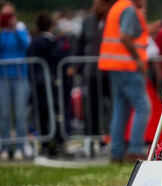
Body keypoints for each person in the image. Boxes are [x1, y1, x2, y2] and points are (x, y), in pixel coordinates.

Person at [98, 0, 151, 162]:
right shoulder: (128, 9)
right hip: (127, 65)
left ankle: (117, 153)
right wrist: (138, 59)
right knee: (143, 107)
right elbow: (125, 36)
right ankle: (134, 150)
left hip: (116, 65)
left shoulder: (118, 6)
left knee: (120, 109)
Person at [73, 0, 114, 141]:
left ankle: (111, 137)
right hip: (91, 72)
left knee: (113, 107)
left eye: (100, 4)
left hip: (110, 72)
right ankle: (91, 138)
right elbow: (80, 44)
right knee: (92, 106)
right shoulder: (88, 21)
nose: (96, 7)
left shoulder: (113, 19)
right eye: (95, 4)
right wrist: (75, 66)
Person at [27, 12, 65, 156]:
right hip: (50, 84)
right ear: (50, 26)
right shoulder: (52, 42)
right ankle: (54, 143)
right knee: (54, 115)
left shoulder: (35, 42)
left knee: (43, 116)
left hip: (39, 85)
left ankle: (45, 143)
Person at [0, 2, 29, 161]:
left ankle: (20, 146)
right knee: (4, 114)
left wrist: (15, 29)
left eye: (9, 15)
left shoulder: (20, 29)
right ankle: (5, 146)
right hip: (2, 77)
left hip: (19, 76)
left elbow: (26, 45)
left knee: (20, 113)